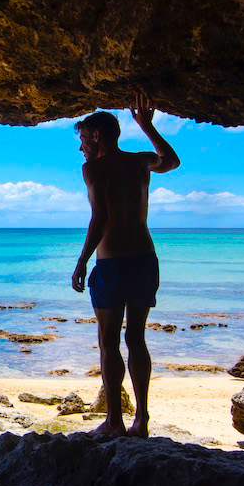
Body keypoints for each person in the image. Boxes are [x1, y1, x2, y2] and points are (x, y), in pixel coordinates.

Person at [71, 88, 180, 437]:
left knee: (108, 341)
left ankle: (115, 421)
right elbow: (172, 161)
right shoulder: (138, 162)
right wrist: (147, 126)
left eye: (84, 138)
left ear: (97, 136)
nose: (81, 146)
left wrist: (81, 261)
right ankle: (142, 420)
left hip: (114, 263)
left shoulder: (93, 169)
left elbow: (99, 217)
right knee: (136, 338)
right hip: (145, 261)